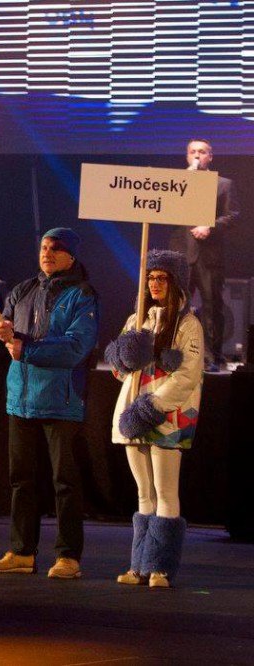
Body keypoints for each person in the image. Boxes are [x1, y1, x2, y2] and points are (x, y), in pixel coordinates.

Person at [0, 227, 98, 579]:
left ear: (71, 256)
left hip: (61, 401)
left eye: (55, 248)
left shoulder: (82, 295)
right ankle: (22, 552)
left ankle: (68, 556)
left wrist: (27, 348)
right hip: (21, 400)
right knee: (21, 479)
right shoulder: (23, 290)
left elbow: (77, 347)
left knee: (65, 481)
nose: (47, 253)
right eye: (44, 247)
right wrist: (0, 337)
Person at [105, 250, 201, 588]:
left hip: (168, 417)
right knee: (144, 493)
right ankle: (139, 566)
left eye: (162, 278)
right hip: (132, 413)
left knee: (165, 492)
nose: (155, 283)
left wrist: (152, 408)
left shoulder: (188, 325)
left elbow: (188, 375)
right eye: (150, 278)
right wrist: (125, 355)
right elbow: (119, 372)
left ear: (175, 282)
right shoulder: (137, 320)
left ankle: (160, 567)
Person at [168, 139, 240, 372]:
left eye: (202, 152)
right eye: (193, 152)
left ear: (210, 156)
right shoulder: (175, 183)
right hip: (181, 253)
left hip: (209, 256)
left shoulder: (223, 184)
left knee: (212, 307)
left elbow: (233, 215)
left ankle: (212, 358)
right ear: (187, 156)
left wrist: (210, 226)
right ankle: (173, 355)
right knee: (176, 306)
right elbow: (165, 209)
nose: (197, 155)